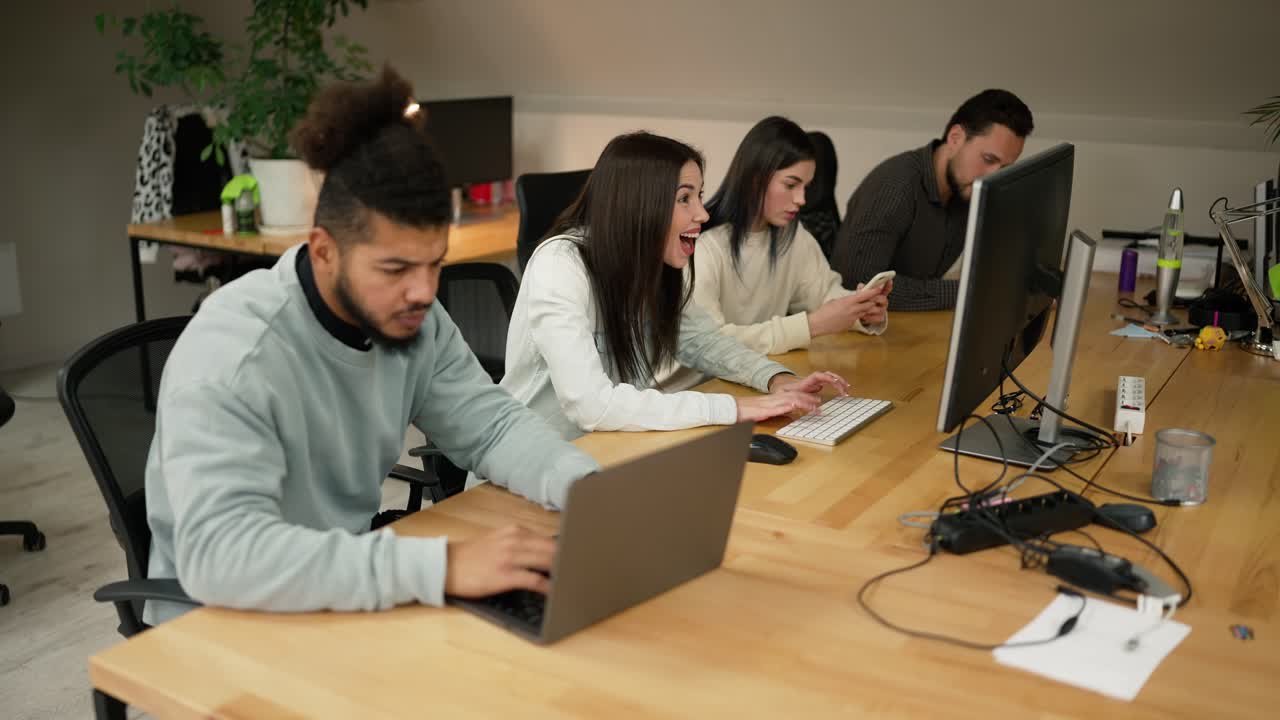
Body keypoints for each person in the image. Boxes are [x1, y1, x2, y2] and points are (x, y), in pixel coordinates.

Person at [143, 66, 599, 625]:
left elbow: (493, 427)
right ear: (323, 250)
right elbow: (221, 556)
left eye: (434, 264)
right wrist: (439, 566)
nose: (423, 292)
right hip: (218, 625)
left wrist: (588, 489)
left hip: (343, 585)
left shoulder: (414, 320)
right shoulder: (233, 356)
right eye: (395, 268)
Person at [499, 131, 849, 442]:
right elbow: (591, 405)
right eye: (685, 199)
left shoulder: (648, 264)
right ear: (641, 204)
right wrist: (735, 409)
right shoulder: (561, 265)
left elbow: (702, 340)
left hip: (605, 451)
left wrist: (776, 380)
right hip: (525, 468)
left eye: (699, 196)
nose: (703, 214)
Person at [693, 116, 889, 356]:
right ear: (755, 179)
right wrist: (811, 325)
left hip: (761, 377)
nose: (802, 200)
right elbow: (710, 347)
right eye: (790, 185)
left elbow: (824, 294)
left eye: (805, 186)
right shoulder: (704, 248)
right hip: (703, 388)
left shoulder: (793, 236)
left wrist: (861, 310)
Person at [830, 89, 1034, 311]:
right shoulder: (895, 187)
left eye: (1005, 167)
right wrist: (973, 292)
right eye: (988, 159)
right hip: (859, 333)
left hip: (909, 325)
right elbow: (860, 287)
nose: (994, 176)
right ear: (955, 138)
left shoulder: (968, 187)